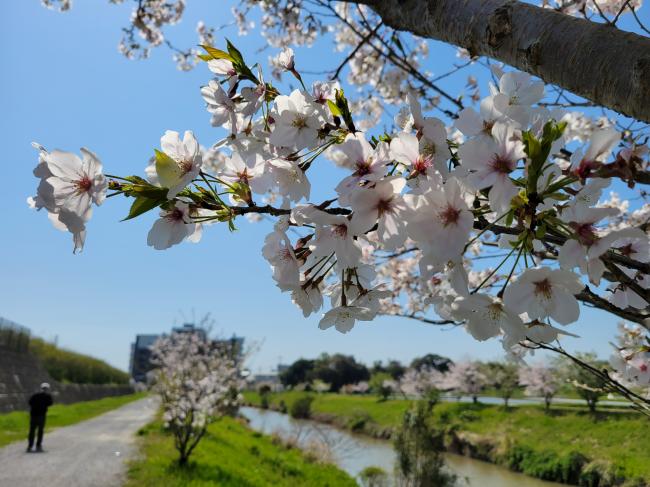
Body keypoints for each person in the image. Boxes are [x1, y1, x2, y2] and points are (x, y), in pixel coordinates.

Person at [27, 382, 53, 453]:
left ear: (41, 388)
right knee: (40, 431)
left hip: (33, 415)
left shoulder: (35, 395)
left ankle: (29, 447)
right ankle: (38, 446)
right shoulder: (48, 396)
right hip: (41, 415)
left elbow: (30, 402)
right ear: (47, 389)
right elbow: (50, 403)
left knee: (32, 431)